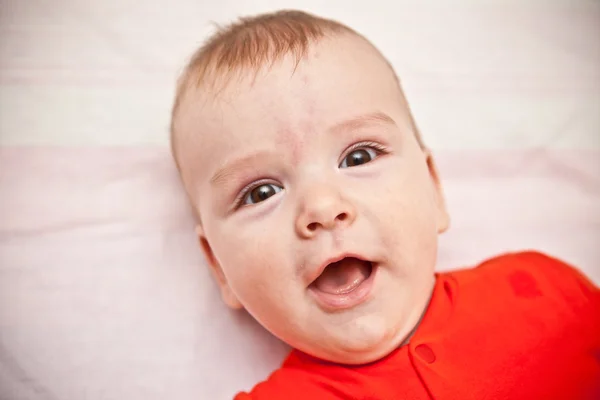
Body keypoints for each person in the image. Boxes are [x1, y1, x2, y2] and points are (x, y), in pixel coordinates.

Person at [169, 9, 600, 399]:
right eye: (261, 192)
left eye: (358, 157)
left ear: (434, 189)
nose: (322, 207)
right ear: (218, 265)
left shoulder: (545, 292)